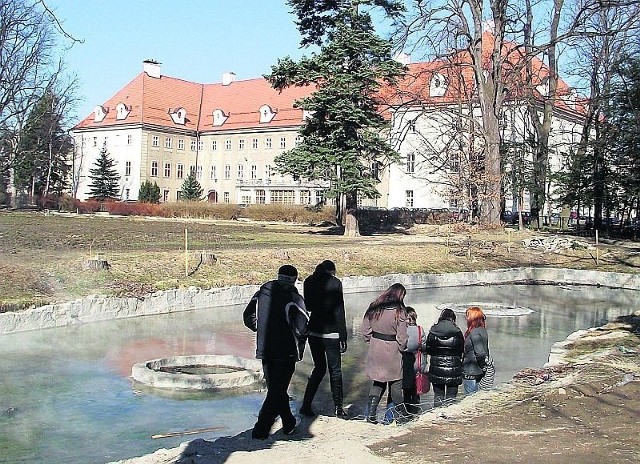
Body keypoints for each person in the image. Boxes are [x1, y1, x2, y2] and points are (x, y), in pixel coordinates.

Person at [243, 264, 309, 440]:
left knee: (276, 389)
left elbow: (248, 316)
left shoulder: (261, 293)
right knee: (276, 391)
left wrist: (261, 329)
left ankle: (288, 423)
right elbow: (302, 328)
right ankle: (260, 430)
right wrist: (297, 340)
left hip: (265, 349)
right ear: (294, 280)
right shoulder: (294, 298)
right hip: (286, 351)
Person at [299, 260, 349, 418]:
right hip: (332, 332)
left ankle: (306, 405)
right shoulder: (335, 283)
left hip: (314, 331)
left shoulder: (308, 281)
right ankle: (338, 408)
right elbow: (339, 310)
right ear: (331, 271)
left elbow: (308, 307)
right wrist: (343, 335)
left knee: (319, 368)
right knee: (335, 370)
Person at [361, 283, 408, 424]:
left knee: (378, 382)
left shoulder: (374, 306)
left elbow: (365, 329)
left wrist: (372, 341)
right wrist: (402, 348)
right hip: (392, 349)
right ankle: (403, 416)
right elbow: (402, 336)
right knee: (395, 384)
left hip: (376, 347)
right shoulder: (400, 311)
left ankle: (371, 415)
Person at [425, 308, 464, 407]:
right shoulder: (458, 333)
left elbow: (428, 350)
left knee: (438, 396)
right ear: (453, 319)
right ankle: (448, 419)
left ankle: (437, 417)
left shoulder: (433, 331)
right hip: (453, 368)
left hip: (436, 367)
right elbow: (461, 350)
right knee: (451, 398)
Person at [399, 306, 427, 419]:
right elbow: (424, 347)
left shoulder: (402, 331)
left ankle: (407, 413)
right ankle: (415, 411)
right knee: (416, 389)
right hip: (417, 363)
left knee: (406, 389)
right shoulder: (420, 330)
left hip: (405, 363)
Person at [462, 306, 492, 394]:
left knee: (469, 399)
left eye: (467, 316)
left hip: (471, 371)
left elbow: (480, 353)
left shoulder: (474, 332)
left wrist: (483, 364)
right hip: (479, 371)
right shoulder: (482, 331)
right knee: (477, 396)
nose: (466, 319)